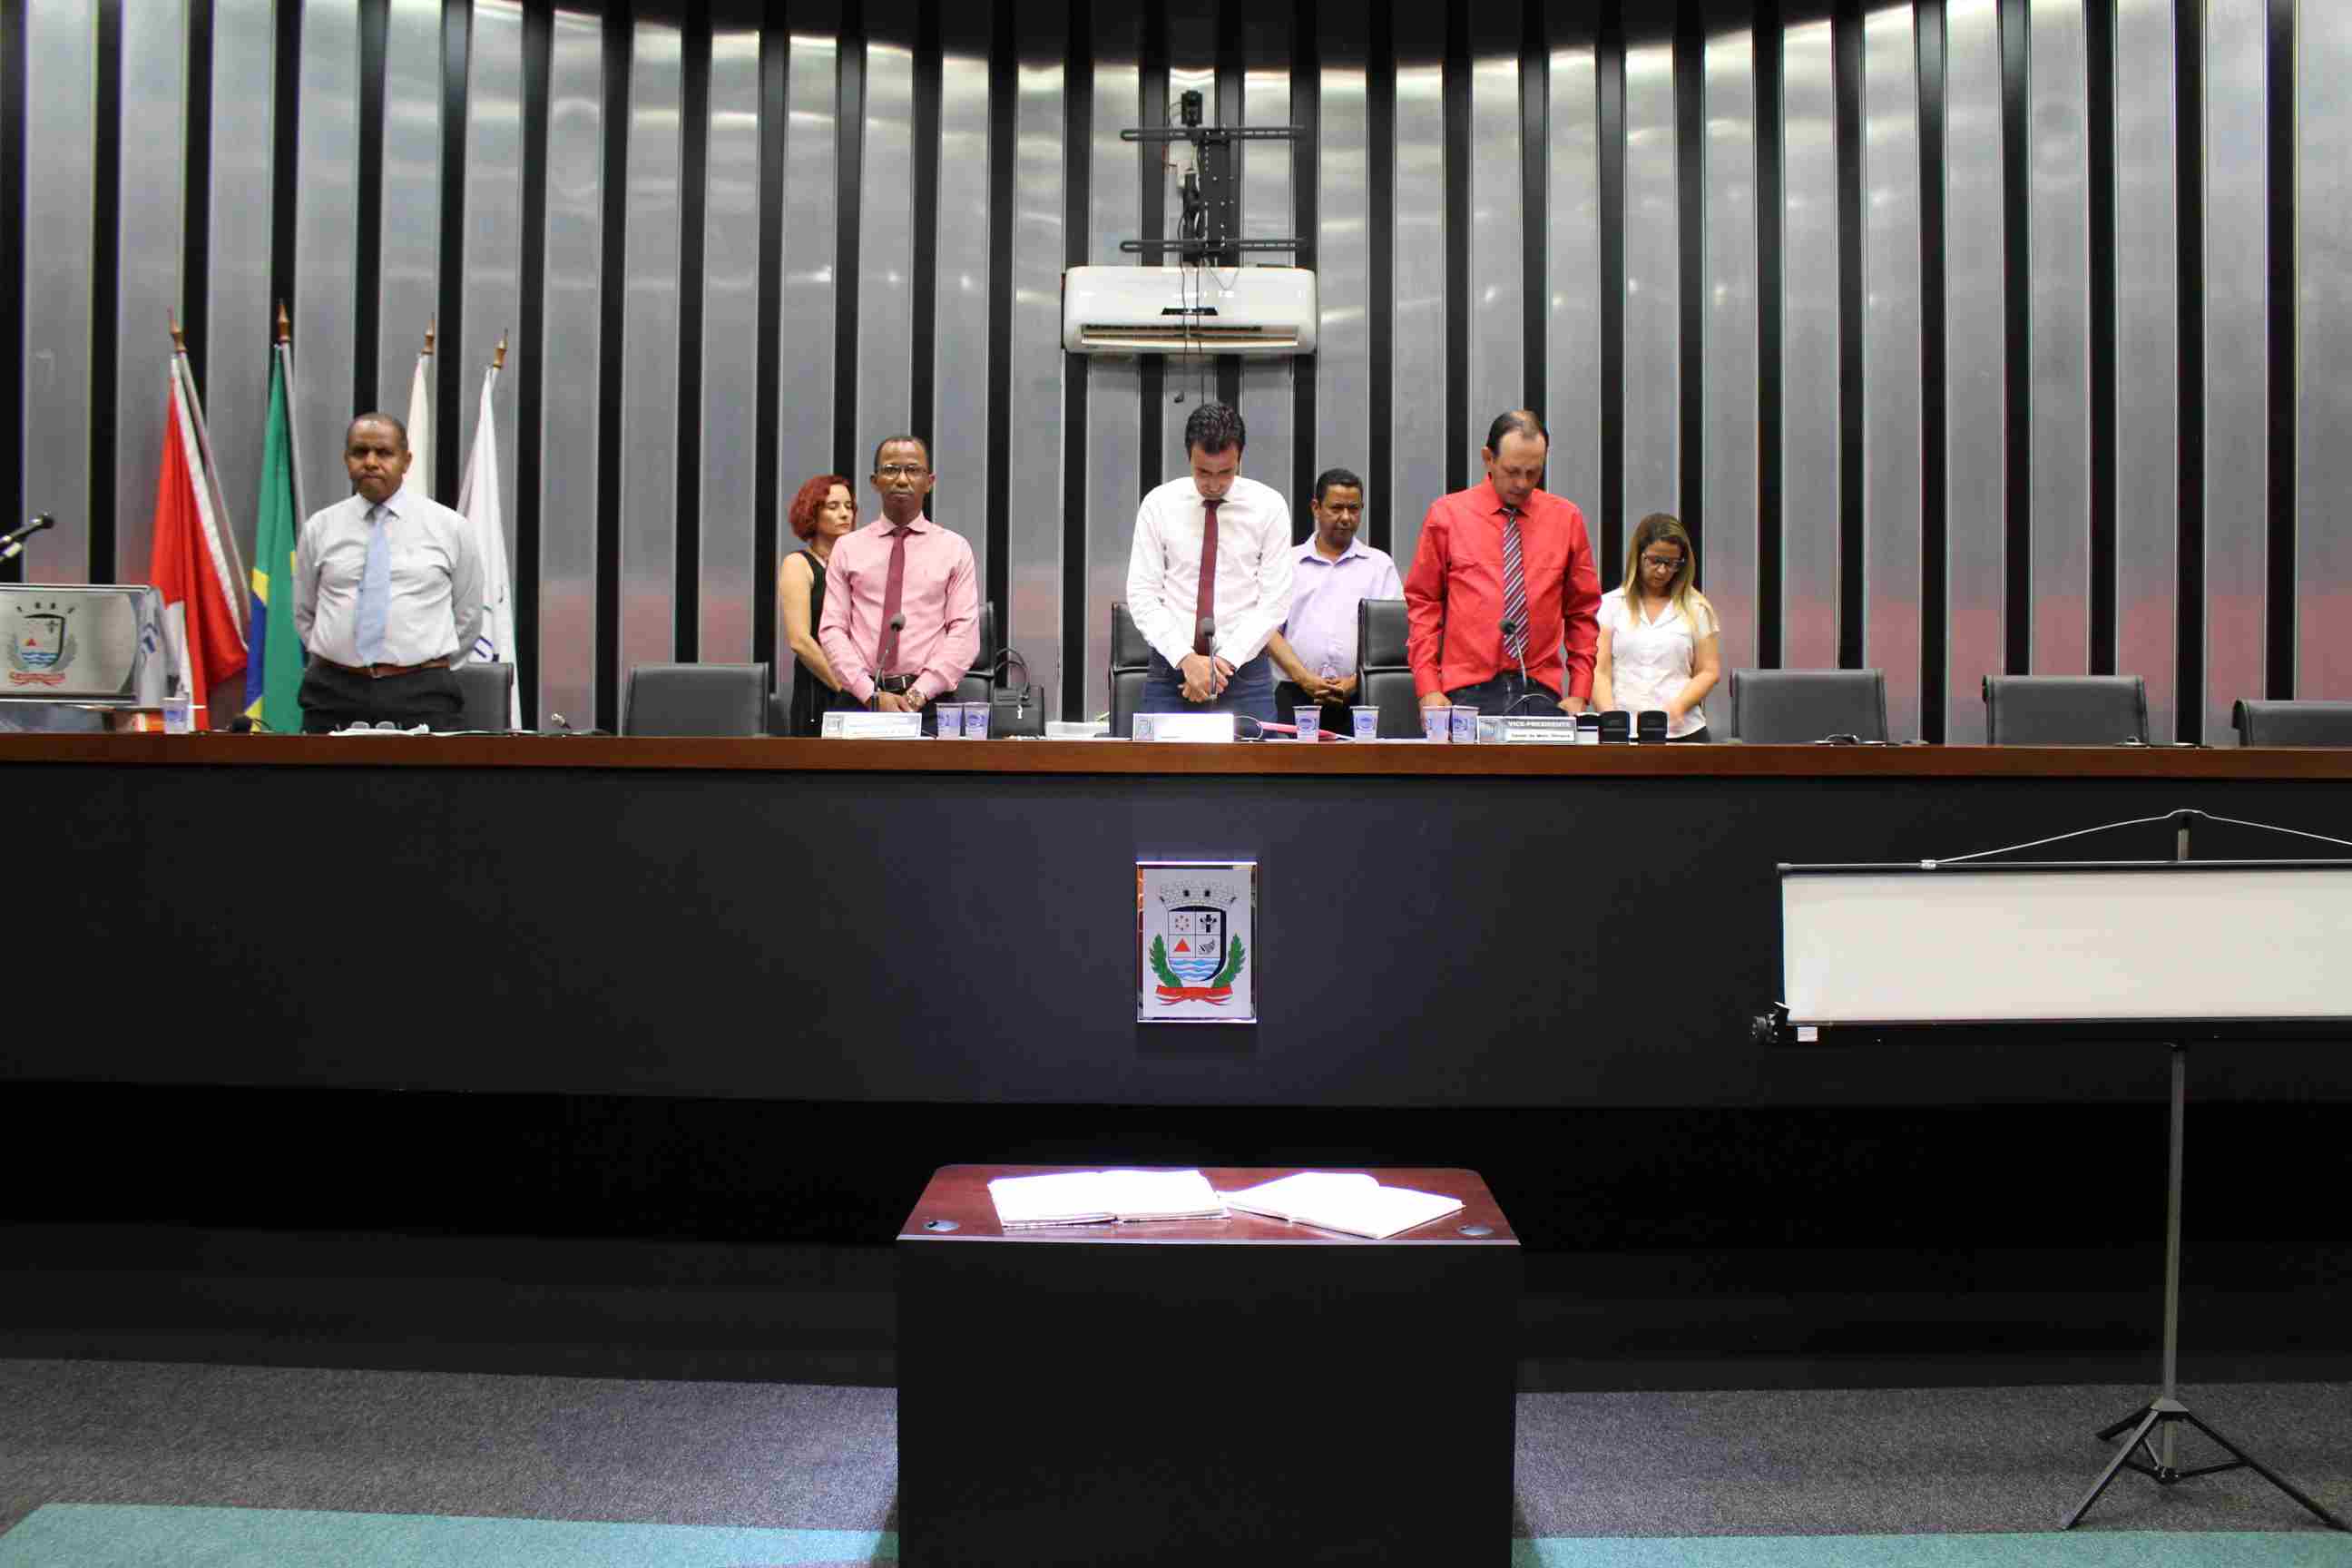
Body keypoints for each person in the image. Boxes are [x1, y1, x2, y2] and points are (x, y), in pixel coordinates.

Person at [292, 412, 484, 732]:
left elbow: (468, 617)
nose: (370, 462)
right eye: (360, 452)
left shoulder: (450, 528)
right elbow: (305, 612)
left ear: (406, 461)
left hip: (422, 692)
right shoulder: (320, 528)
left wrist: (422, 663)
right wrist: (343, 657)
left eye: (383, 453)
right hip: (333, 691)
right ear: (346, 459)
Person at [1403, 408, 1600, 719]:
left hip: (1540, 692)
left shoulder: (1567, 519)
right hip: (1465, 693)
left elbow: (1582, 612)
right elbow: (1424, 604)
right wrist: (1428, 686)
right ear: (1488, 459)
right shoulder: (1447, 516)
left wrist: (1579, 692)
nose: (1522, 483)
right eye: (1512, 471)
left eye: (1533, 472)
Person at [1125, 401, 1294, 730]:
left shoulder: (1269, 507)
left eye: (1226, 472)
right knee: (1158, 763)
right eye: (1203, 472)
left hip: (1244, 674)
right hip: (1171, 671)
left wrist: (1222, 664)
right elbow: (1142, 594)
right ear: (1189, 457)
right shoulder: (1159, 505)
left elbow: (1275, 600)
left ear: (1240, 458)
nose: (1214, 485)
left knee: (1254, 765)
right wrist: (1187, 660)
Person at [816, 436, 979, 732]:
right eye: (891, 470)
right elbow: (832, 629)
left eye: (913, 470)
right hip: (859, 700)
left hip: (929, 705)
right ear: (875, 481)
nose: (902, 479)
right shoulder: (847, 548)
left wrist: (917, 695)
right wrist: (869, 694)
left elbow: (964, 634)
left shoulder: (954, 549)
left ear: (929, 482)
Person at [1267, 466, 1401, 734]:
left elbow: (1393, 639)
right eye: (1336, 508)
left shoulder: (1379, 565)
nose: (1346, 517)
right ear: (1316, 508)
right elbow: (1268, 631)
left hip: (1361, 698)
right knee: (1291, 762)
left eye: (1354, 509)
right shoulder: (1287, 563)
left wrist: (1356, 681)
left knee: (1361, 762)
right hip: (1295, 695)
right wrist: (1304, 679)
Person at [1593, 513, 1720, 742]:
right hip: (1624, 732)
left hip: (1683, 731)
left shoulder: (1697, 608)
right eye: (1655, 561)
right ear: (1638, 556)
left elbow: (1709, 671)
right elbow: (1599, 671)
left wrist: (1679, 706)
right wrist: (1611, 718)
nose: (1662, 571)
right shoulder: (1610, 605)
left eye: (1671, 563)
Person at [779, 473, 858, 737]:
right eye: (833, 507)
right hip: (821, 687)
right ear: (812, 513)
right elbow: (800, 641)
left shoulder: (859, 563)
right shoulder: (798, 564)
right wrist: (845, 687)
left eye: (849, 506)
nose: (844, 514)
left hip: (860, 684)